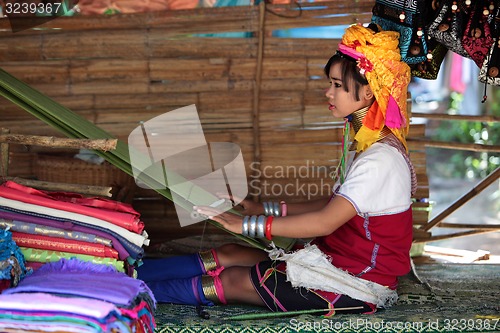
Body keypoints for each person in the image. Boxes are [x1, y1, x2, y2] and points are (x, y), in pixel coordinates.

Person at [137, 23, 417, 315]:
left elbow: (325, 223)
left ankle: (125, 293)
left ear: (369, 93)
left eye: (337, 85)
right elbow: (335, 205)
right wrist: (262, 208)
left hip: (356, 282)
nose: (328, 93)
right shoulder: (369, 148)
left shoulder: (380, 160)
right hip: (335, 263)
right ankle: (127, 275)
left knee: (232, 280)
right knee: (231, 253)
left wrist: (247, 225)